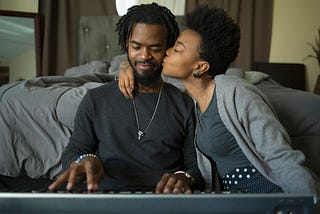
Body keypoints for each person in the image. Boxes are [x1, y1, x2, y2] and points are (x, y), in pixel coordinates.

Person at [118, 5, 318, 194]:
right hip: (233, 202)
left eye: (177, 49)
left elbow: (281, 155)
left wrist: (305, 203)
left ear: (200, 67)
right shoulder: (191, 99)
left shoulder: (236, 92)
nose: (166, 52)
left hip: (271, 196)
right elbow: (144, 76)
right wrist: (125, 67)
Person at [48, 3, 203, 193]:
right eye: (136, 47)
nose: (144, 56)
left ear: (168, 49)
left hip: (164, 200)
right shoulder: (96, 99)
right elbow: (73, 153)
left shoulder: (184, 104)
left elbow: (196, 168)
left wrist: (183, 177)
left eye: (155, 48)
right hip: (107, 198)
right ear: (126, 46)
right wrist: (85, 160)